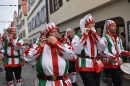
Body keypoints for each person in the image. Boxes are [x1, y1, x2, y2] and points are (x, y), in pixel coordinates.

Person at [72, 14, 103, 86]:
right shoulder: (78, 36)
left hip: (95, 64)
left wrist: (95, 34)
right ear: (86, 24)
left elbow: (101, 48)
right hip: (84, 64)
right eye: (92, 23)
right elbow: (77, 51)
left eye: (94, 22)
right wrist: (84, 36)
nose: (94, 24)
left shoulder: (94, 35)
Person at [100, 20, 130, 86]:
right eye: (113, 26)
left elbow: (120, 50)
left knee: (117, 81)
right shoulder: (104, 39)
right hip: (110, 62)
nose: (115, 27)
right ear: (108, 28)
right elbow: (102, 52)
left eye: (115, 26)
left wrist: (128, 53)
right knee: (118, 82)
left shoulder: (118, 38)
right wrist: (113, 57)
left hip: (118, 61)